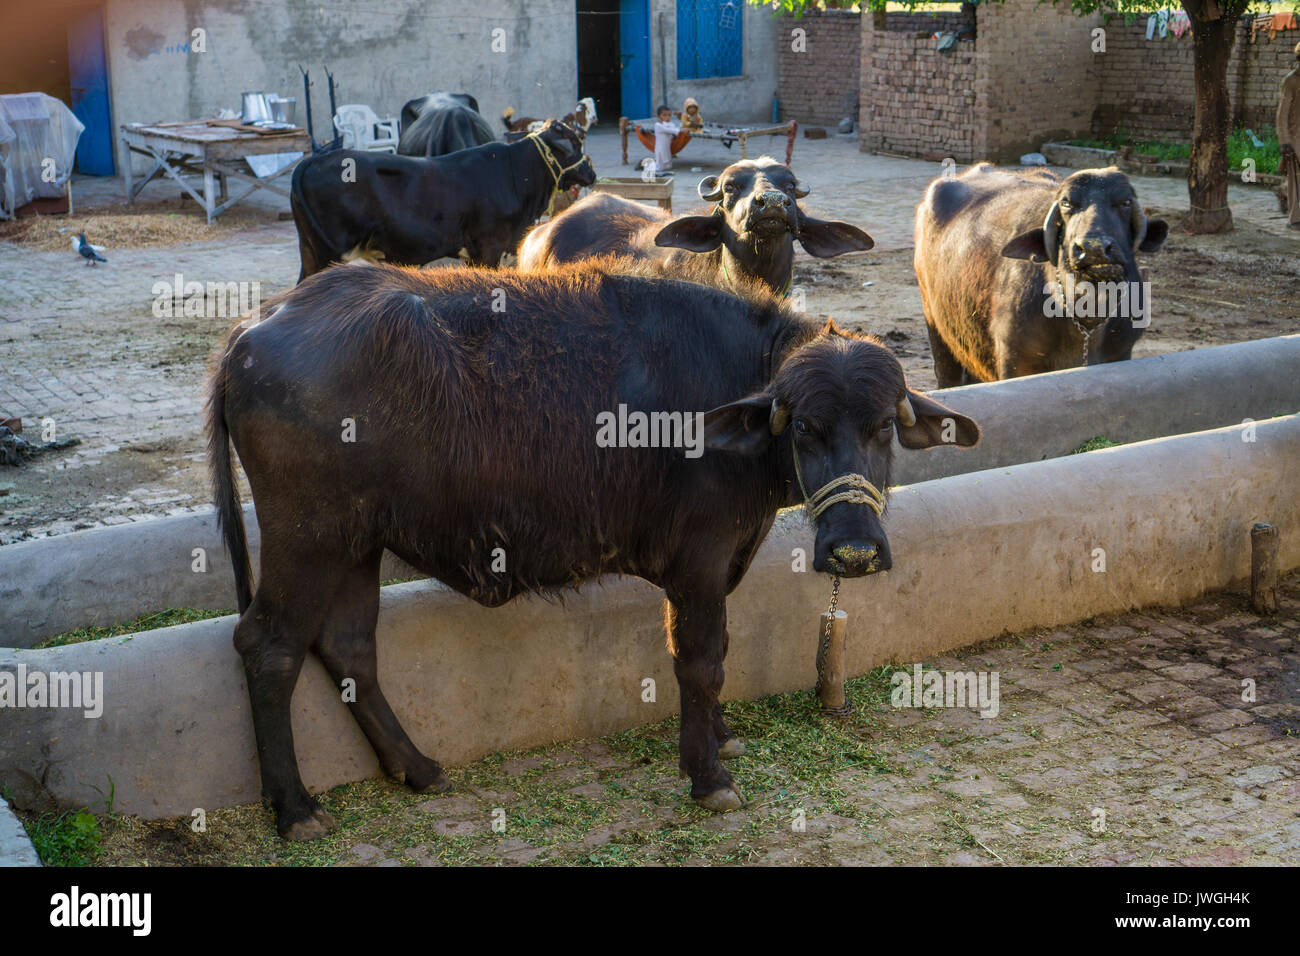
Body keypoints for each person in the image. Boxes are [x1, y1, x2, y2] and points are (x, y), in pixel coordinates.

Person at [1279, 41, 1300, 228]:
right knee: (1296, 181)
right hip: (1295, 138)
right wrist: (1285, 142)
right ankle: (1294, 219)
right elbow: (1282, 115)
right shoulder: (1291, 81)